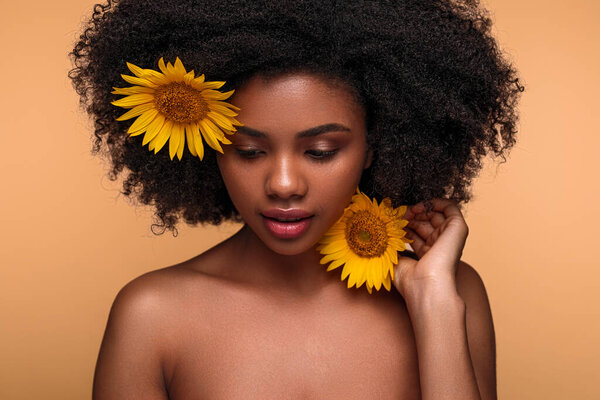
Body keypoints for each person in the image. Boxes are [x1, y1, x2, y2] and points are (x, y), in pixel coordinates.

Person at [69, 0, 522, 398]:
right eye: (249, 151)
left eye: (320, 152)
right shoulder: (151, 317)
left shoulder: (451, 294)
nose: (283, 184)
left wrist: (434, 306)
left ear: (373, 147)